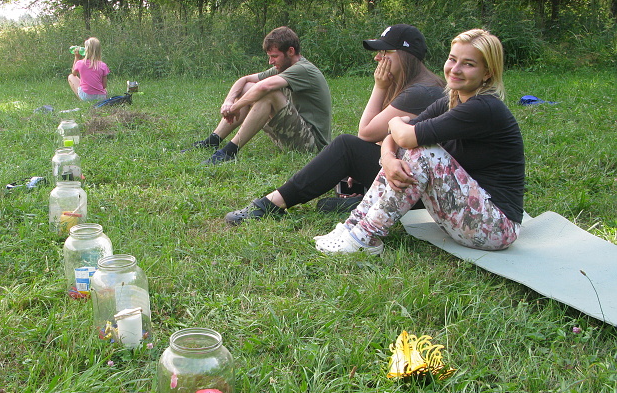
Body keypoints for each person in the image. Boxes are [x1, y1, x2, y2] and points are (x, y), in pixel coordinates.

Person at [314, 28, 524, 255]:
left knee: (423, 152)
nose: (455, 69)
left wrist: (395, 122)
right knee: (408, 150)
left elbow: (404, 136)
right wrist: (388, 159)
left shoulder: (484, 107)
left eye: (468, 64)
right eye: (452, 59)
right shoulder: (451, 100)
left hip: (497, 227)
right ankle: (353, 225)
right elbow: (393, 138)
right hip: (468, 216)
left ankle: (365, 236)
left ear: (487, 73)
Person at [225, 24, 444, 225]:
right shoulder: (421, 85)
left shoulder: (421, 92)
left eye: (385, 52)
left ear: (404, 56)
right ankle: (361, 197)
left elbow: (366, 133)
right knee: (338, 175)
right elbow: (385, 137)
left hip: (419, 192)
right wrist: (360, 166)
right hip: (411, 178)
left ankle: (272, 203)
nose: (377, 57)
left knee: (346, 147)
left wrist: (380, 87)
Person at [191, 26, 332, 165]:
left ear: (290, 51)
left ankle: (229, 152)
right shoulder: (284, 68)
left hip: (313, 146)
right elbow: (244, 80)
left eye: (274, 56)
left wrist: (235, 107)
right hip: (293, 137)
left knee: (268, 93)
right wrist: (228, 102)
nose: (271, 61)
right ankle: (213, 140)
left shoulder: (303, 69)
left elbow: (264, 87)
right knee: (248, 87)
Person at [68, 37, 109, 101]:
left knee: (71, 76)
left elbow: (74, 73)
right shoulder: (103, 65)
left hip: (86, 96)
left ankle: (81, 98)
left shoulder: (80, 63)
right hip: (101, 97)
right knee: (103, 89)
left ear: (86, 50)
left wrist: (76, 57)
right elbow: (104, 85)